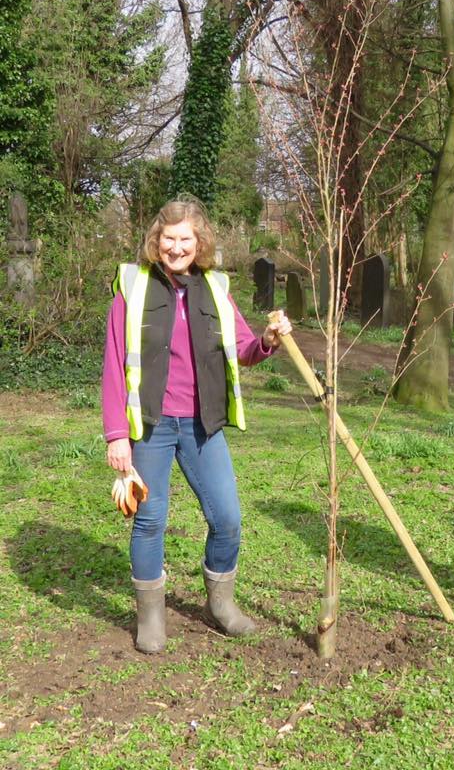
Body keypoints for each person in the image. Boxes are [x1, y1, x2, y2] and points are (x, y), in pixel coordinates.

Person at [103, 198, 292, 653]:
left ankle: (220, 603)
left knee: (227, 517)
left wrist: (266, 341)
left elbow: (243, 346)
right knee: (149, 520)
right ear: (156, 240)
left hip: (202, 424)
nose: (176, 246)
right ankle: (151, 615)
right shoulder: (133, 286)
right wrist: (116, 436)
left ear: (199, 242)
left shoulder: (215, 287)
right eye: (168, 238)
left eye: (185, 238)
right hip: (150, 426)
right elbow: (113, 363)